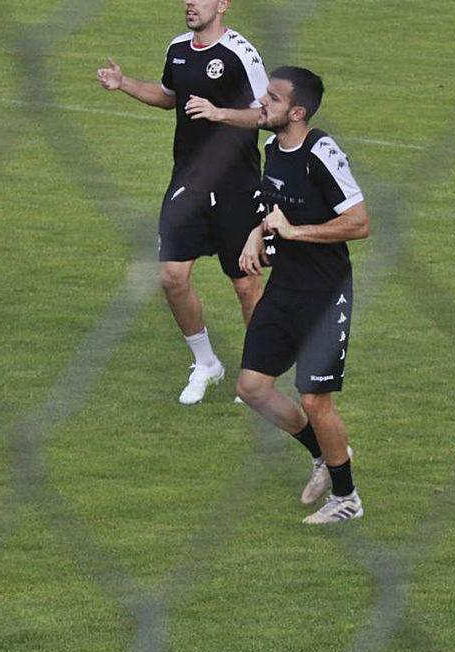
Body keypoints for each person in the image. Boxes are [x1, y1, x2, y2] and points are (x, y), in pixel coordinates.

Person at [97, 0, 269, 404]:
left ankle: (258, 375)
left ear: (223, 4)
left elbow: (267, 114)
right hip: (188, 183)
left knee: (245, 284)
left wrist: (220, 114)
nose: (190, 3)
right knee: (172, 276)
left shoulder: (241, 54)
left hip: (236, 184)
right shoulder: (177, 48)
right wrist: (125, 85)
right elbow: (169, 95)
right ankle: (206, 362)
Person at [232, 67, 369, 524]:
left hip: (326, 294)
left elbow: (359, 222)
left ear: (297, 111)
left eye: (272, 98)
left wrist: (295, 231)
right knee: (252, 388)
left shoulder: (321, 153)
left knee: (314, 399)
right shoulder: (273, 148)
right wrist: (258, 234)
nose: (261, 103)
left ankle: (347, 497)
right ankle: (325, 455)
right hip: (285, 285)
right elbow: (273, 209)